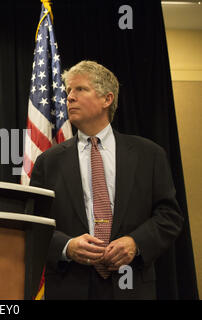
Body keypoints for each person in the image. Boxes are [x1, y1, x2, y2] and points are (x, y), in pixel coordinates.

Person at [30, 60, 183, 299]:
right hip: (70, 285)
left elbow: (169, 216)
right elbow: (35, 224)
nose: (70, 97)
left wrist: (135, 242)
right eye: (69, 90)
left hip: (131, 284)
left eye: (80, 89)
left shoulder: (149, 155)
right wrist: (67, 247)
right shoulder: (49, 161)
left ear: (107, 99)